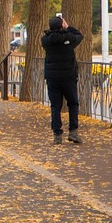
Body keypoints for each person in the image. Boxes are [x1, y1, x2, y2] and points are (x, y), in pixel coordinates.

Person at [41, 14, 85, 144]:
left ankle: (57, 134)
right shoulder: (69, 38)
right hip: (68, 77)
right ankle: (73, 131)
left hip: (52, 78)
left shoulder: (46, 40)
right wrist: (68, 27)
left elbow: (49, 37)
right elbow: (79, 35)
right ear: (62, 26)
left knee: (55, 106)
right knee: (73, 103)